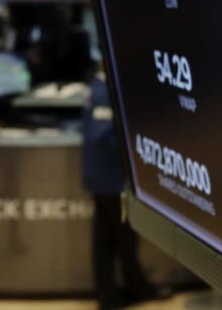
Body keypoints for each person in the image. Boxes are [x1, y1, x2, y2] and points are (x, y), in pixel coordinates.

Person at [82, 69, 154, 310]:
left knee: (105, 238)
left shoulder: (96, 88)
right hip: (110, 180)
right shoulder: (104, 93)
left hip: (103, 179)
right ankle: (132, 290)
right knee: (121, 238)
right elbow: (100, 137)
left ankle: (113, 295)